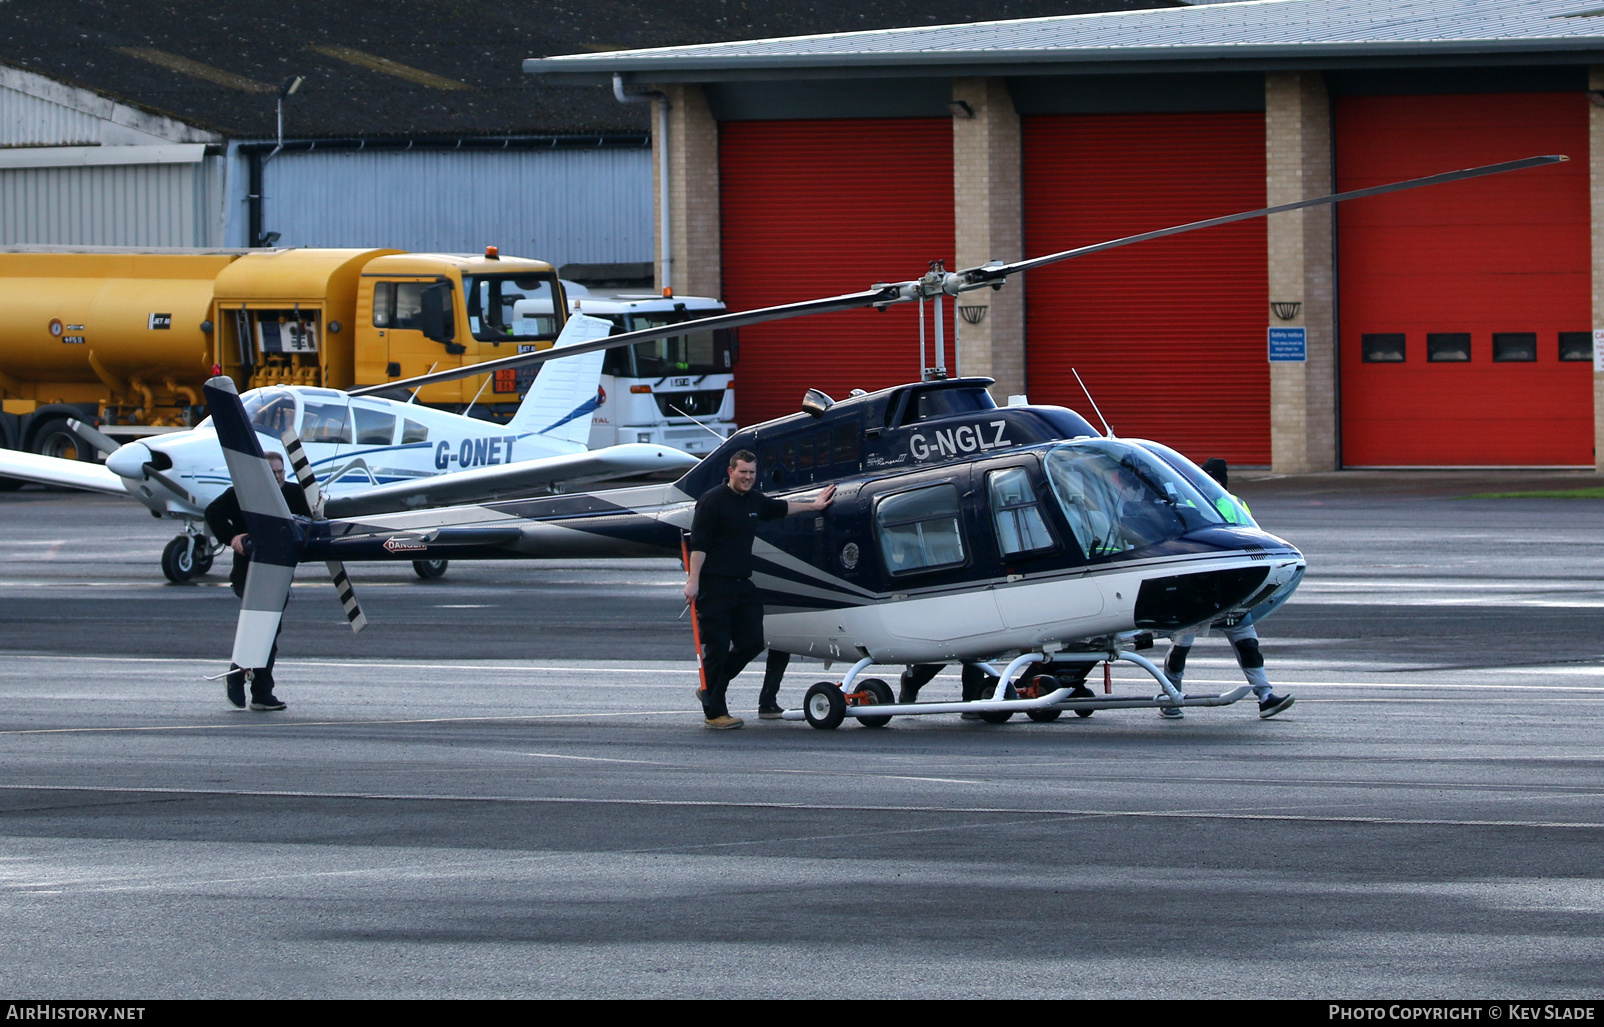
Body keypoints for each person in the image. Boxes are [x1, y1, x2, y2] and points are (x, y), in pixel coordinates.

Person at [685, 450, 834, 729]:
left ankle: (710, 687)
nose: (748, 477)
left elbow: (780, 508)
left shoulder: (753, 501)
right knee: (717, 648)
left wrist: (813, 506)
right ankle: (714, 712)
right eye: (743, 472)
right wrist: (693, 581)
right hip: (714, 584)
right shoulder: (711, 501)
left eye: (752, 472)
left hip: (742, 584)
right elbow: (699, 545)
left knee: (753, 641)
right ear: (731, 472)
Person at [1159, 457, 1294, 720]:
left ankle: (1265, 695)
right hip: (1199, 586)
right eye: (1208, 478)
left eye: (1216, 479)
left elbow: (1253, 535)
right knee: (1181, 645)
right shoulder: (1187, 505)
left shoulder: (1236, 505)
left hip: (1231, 586)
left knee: (1247, 642)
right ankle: (1170, 695)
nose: (1213, 484)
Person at [204, 451, 311, 712]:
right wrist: (232, 537)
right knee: (264, 632)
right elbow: (213, 512)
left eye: (281, 472)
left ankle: (257, 689)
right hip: (248, 575)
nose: (278, 477)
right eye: (272, 473)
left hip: (279, 575)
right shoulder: (242, 492)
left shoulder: (296, 494)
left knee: (268, 633)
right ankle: (249, 684)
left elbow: (310, 522)